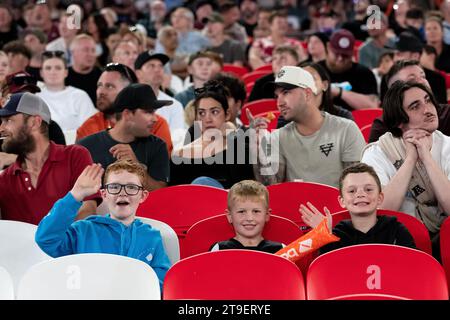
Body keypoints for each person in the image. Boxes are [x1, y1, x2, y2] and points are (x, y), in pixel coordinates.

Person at [35, 160, 171, 288]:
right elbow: (46, 239)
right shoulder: (83, 230)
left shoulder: (152, 237)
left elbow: (161, 281)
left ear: (142, 196)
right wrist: (75, 195)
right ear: (104, 195)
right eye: (115, 187)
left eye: (131, 187)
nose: (122, 193)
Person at [361, 81, 450, 259]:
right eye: (415, 106)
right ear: (399, 120)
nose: (427, 109)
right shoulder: (377, 153)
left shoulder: (448, 145)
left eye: (428, 101)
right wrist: (410, 160)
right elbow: (380, 212)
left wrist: (426, 156)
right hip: (396, 243)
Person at [252, 66, 366, 188]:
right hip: (295, 206)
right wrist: (260, 150)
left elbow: (358, 186)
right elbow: (271, 188)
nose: (279, 103)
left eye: (286, 92)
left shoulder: (346, 129)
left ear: (307, 94)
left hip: (339, 206)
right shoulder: (277, 137)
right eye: (277, 96)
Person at [0, 92, 100, 224]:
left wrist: (51, 239)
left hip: (68, 244)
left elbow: (88, 212)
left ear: (35, 122)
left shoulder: (74, 156)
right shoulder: (4, 180)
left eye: (9, 120)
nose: (1, 128)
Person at [299, 163, 416, 254]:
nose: (360, 194)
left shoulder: (396, 229)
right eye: (352, 191)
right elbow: (329, 273)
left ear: (380, 198)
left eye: (368, 189)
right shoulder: (336, 235)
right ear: (342, 201)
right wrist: (325, 237)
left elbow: (415, 266)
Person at [77, 83, 171, 191]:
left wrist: (136, 167)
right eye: (148, 112)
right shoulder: (85, 147)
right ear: (127, 114)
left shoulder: (157, 146)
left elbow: (160, 193)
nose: (155, 119)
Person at [75, 63, 173, 154]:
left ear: (129, 91)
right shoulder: (89, 127)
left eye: (109, 86)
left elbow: (162, 167)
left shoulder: (156, 125)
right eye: (99, 85)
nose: (101, 91)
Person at [171, 80, 254, 188]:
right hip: (191, 203)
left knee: (202, 182)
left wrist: (233, 139)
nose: (207, 119)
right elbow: (175, 196)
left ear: (227, 114)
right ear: (196, 117)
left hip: (229, 203)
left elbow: (244, 189)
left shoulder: (240, 146)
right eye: (201, 113)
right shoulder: (179, 154)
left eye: (214, 112)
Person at [369, 60, 450, 142]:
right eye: (412, 80)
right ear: (394, 93)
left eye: (423, 77)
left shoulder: (447, 113)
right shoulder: (383, 125)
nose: (423, 82)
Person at [210, 179, 284, 253]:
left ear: (267, 215)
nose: (249, 218)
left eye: (256, 211)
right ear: (229, 216)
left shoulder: (281, 250)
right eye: (241, 211)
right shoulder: (219, 249)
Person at [134, 51, 186, 149]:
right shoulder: (128, 100)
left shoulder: (174, 105)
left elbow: (177, 140)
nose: (157, 70)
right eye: (151, 66)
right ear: (138, 73)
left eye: (160, 66)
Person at [318, 29, 379, 111]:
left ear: (352, 53)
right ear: (328, 47)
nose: (340, 59)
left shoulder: (364, 73)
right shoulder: (316, 71)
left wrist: (339, 92)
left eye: (345, 55)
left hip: (356, 122)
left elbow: (373, 106)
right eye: (336, 53)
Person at [37, 50, 97, 132]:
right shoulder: (35, 98)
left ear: (66, 72)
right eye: (48, 68)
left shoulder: (80, 96)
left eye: (58, 68)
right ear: (41, 73)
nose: (53, 72)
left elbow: (91, 129)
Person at [66, 34, 102, 105]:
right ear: (73, 52)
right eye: (86, 50)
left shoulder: (102, 77)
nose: (90, 54)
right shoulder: (62, 77)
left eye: (93, 50)